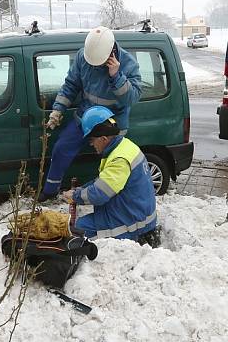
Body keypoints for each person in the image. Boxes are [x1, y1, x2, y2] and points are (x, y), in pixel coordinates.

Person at [41, 26, 142, 201]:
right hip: (85, 118)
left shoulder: (128, 63)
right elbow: (71, 85)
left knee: (110, 163)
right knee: (61, 149)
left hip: (111, 124)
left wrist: (116, 76)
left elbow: (132, 99)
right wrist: (58, 110)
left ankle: (105, 196)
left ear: (111, 51)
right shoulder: (83, 56)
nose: (96, 66)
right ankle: (50, 191)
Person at [60, 106, 157, 242]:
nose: (91, 144)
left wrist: (75, 196)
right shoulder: (123, 146)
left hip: (133, 223)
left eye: (92, 140)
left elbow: (100, 194)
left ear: (104, 139)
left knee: (75, 229)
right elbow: (103, 182)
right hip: (133, 210)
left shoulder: (119, 160)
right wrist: (80, 190)